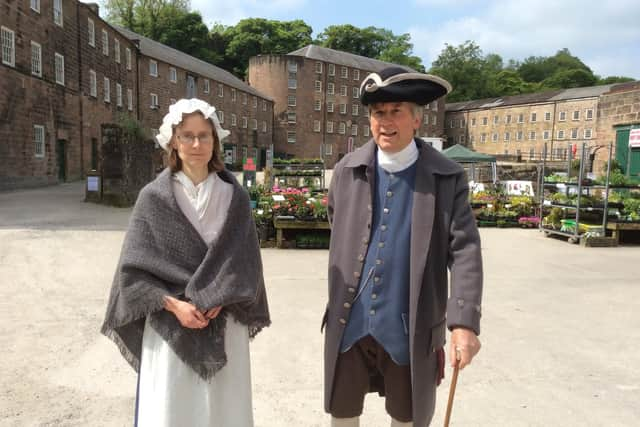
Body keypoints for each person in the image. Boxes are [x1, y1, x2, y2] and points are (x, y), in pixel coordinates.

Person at [323, 67, 483, 427]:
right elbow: (338, 224)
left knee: (407, 418)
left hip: (412, 325)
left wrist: (464, 323)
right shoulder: (346, 170)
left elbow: (465, 252)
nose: (386, 121)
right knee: (342, 415)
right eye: (378, 112)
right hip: (351, 321)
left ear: (417, 119)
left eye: (396, 111)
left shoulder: (447, 177)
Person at [101, 98, 270, 427]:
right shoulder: (153, 197)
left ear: (215, 141)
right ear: (173, 141)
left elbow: (245, 264)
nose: (196, 144)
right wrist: (175, 306)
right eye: (188, 136)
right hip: (170, 325)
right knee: (173, 409)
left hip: (224, 321)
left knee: (225, 408)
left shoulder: (234, 197)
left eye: (204, 135)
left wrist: (220, 295)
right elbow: (132, 274)